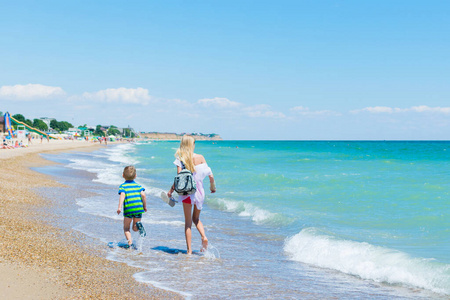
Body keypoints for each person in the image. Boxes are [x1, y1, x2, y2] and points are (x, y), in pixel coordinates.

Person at [167, 135, 216, 254]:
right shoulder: (201, 157)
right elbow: (210, 174)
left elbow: (179, 178)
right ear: (191, 145)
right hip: (199, 193)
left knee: (188, 222)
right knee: (196, 218)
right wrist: (212, 186)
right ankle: (204, 237)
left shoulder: (181, 159)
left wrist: (171, 191)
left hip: (187, 193)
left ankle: (189, 251)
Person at [117, 166, 147, 247]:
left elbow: (122, 195)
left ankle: (130, 243)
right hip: (138, 208)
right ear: (135, 176)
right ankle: (138, 225)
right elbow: (143, 195)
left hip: (128, 209)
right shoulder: (139, 186)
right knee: (135, 227)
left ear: (123, 175)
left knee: (126, 228)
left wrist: (119, 207)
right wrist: (144, 206)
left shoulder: (123, 186)